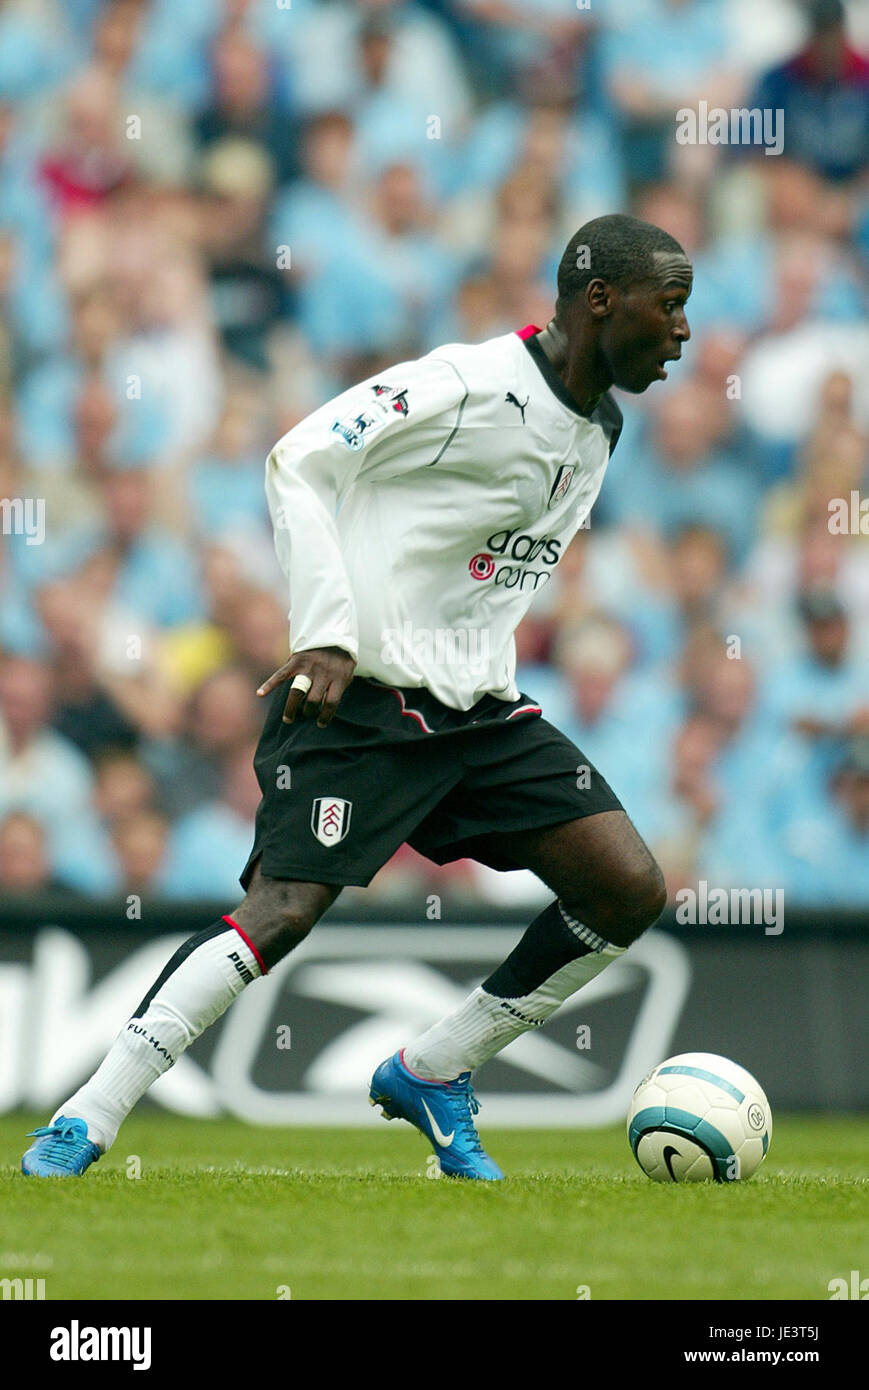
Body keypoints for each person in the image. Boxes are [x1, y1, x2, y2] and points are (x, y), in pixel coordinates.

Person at [23, 213, 691, 1182]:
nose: (679, 333)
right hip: (365, 701)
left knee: (625, 885)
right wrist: (329, 628)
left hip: (477, 712)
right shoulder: (467, 384)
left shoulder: (602, 426)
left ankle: (433, 1069)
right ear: (600, 300)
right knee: (283, 909)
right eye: (666, 308)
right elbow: (298, 458)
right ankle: (86, 1116)